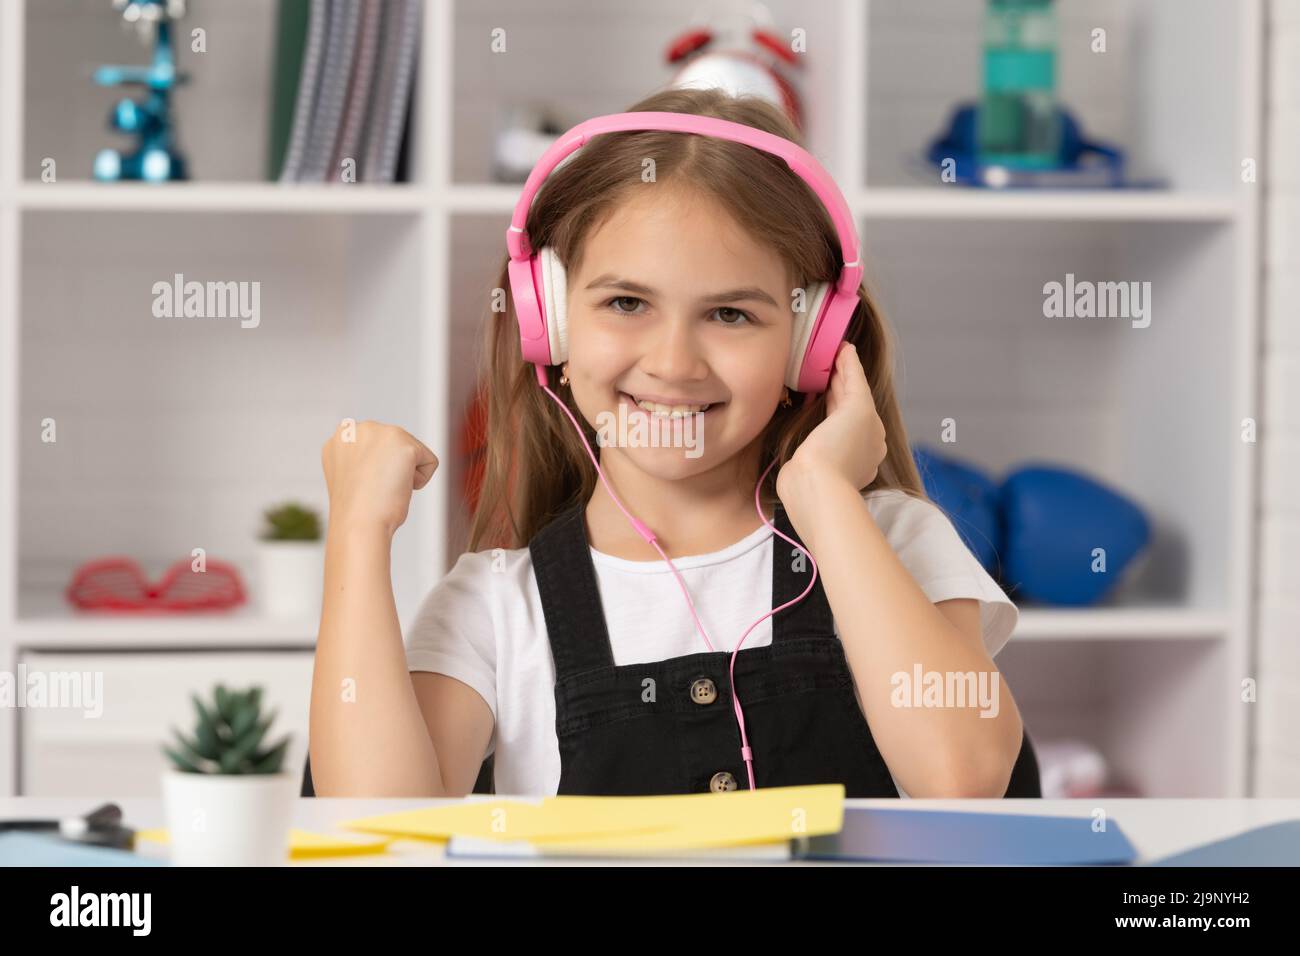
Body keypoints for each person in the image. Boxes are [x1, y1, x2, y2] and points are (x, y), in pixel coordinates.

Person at [309, 87, 1026, 799]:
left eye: (730, 313)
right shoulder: (499, 606)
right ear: (549, 325)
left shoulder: (889, 544)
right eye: (627, 303)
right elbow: (374, 827)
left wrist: (826, 496)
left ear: (810, 347)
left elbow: (960, 778)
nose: (675, 362)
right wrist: (357, 534)